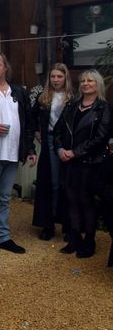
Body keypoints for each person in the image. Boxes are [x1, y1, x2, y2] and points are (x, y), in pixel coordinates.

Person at [0, 51, 36, 254]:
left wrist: (30, 149)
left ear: (5, 67)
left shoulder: (18, 92)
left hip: (12, 153)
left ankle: (2, 237)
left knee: (4, 197)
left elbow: (28, 123)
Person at [53, 69, 111, 258]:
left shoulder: (103, 108)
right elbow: (58, 131)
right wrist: (61, 150)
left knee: (86, 201)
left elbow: (101, 137)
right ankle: (75, 238)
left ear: (98, 85)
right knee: (71, 200)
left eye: (90, 81)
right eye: (83, 81)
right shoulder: (71, 106)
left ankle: (89, 241)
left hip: (89, 163)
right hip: (69, 162)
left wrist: (75, 152)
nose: (86, 83)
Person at [32, 63, 73, 241]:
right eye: (53, 76)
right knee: (51, 183)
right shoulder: (43, 97)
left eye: (59, 76)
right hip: (49, 142)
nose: (56, 80)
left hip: (69, 144)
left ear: (66, 78)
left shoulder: (73, 98)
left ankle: (67, 223)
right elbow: (31, 117)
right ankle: (48, 223)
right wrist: (36, 132)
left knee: (68, 184)